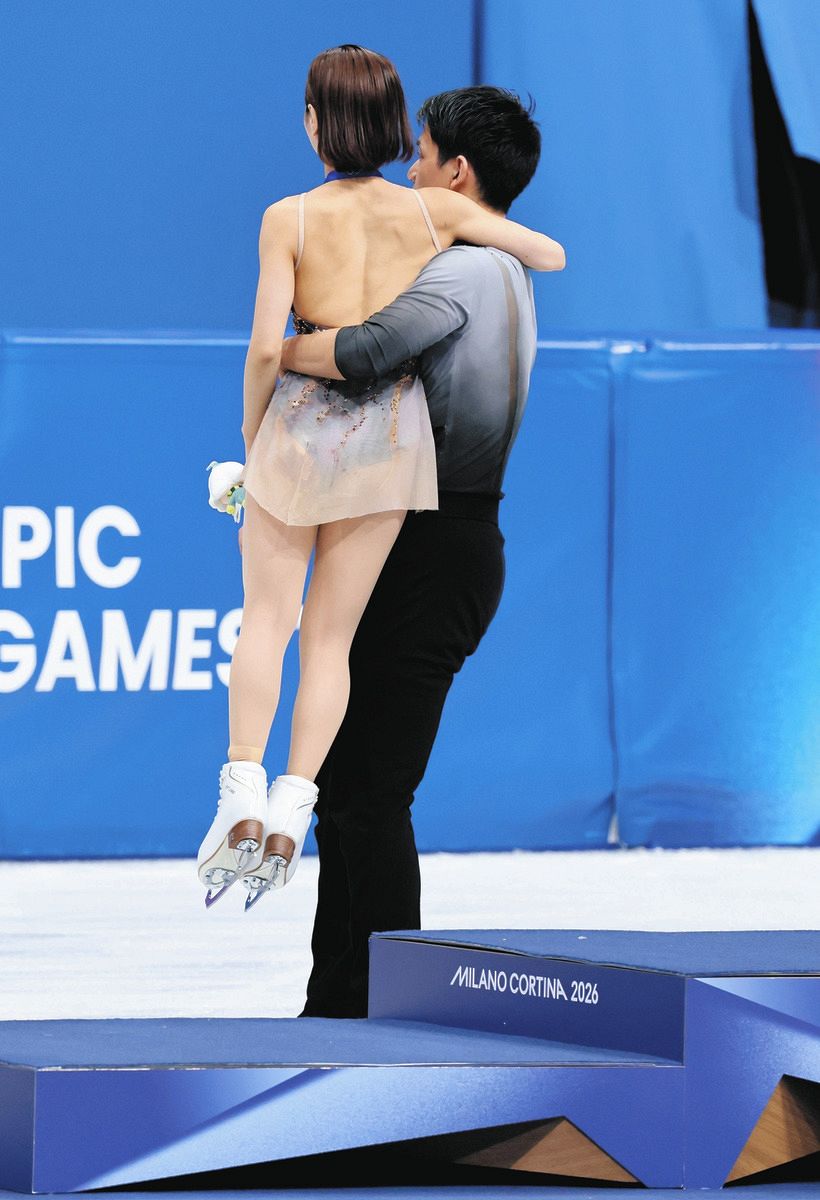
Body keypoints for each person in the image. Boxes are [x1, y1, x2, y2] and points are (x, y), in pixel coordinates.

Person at [196, 50, 565, 908]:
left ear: (315, 122)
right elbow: (547, 253)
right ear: (397, 127)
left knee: (268, 621)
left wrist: (252, 445)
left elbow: (263, 349)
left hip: (300, 426)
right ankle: (293, 809)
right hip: (389, 442)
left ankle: (242, 793)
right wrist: (470, 224)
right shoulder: (433, 210)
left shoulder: (287, 216)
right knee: (332, 643)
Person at [279, 85, 558, 1016]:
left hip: (434, 549)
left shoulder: (467, 271)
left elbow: (365, 350)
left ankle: (377, 1013)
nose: (409, 169)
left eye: (423, 153)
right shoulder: (499, 265)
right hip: (442, 543)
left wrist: (279, 349)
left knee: (370, 792)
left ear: (457, 172)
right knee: (351, 788)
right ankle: (337, 1003)